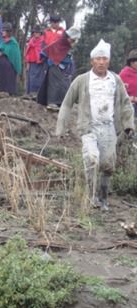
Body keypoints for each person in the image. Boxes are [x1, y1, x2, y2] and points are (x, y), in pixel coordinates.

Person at [56, 39, 135, 210]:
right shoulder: (82, 80)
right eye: (98, 59)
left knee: (107, 165)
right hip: (89, 127)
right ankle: (90, 197)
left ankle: (103, 198)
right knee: (92, 159)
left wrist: (129, 126)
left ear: (109, 61)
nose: (101, 62)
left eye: (104, 59)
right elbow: (67, 103)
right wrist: (60, 128)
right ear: (92, 61)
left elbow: (126, 104)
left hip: (109, 128)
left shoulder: (115, 80)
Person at [37, 27, 80, 111]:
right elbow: (46, 51)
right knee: (54, 84)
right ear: (68, 38)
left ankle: (62, 103)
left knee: (64, 85)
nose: (73, 43)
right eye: (72, 40)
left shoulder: (66, 45)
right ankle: (52, 102)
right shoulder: (60, 43)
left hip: (63, 68)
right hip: (54, 65)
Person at [0, 23, 22, 95]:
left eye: (4, 30)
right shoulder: (2, 41)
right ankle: (0, 93)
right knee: (1, 80)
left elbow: (14, 54)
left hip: (10, 65)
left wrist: (3, 52)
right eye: (2, 30)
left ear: (8, 32)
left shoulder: (13, 42)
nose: (2, 32)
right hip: (1, 65)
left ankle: (10, 94)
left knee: (9, 80)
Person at [25, 25, 44, 97]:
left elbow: (42, 51)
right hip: (31, 62)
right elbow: (28, 52)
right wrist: (27, 63)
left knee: (37, 78)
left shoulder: (42, 41)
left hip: (39, 62)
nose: (36, 34)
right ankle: (29, 93)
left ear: (40, 33)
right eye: (35, 32)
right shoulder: (31, 41)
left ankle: (35, 93)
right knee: (30, 78)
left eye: (38, 32)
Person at [119, 49, 137, 117]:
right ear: (131, 62)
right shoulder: (124, 74)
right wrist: (133, 98)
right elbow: (119, 92)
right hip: (130, 106)